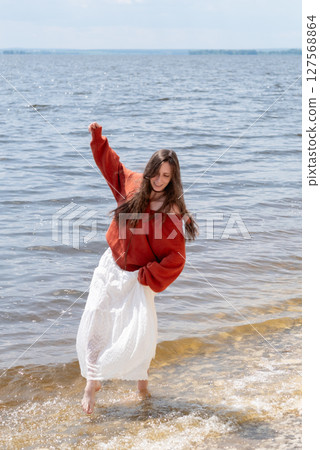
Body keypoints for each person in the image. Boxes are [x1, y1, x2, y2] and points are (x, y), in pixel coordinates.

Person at [76, 122, 198, 414]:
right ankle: (92, 385)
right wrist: (98, 139)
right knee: (95, 319)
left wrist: (147, 276)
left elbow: (177, 258)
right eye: (156, 173)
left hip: (138, 278)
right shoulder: (132, 184)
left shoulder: (172, 211)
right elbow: (110, 165)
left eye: (166, 176)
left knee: (140, 333)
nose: (159, 180)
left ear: (173, 178)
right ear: (150, 170)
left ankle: (142, 390)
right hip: (110, 268)